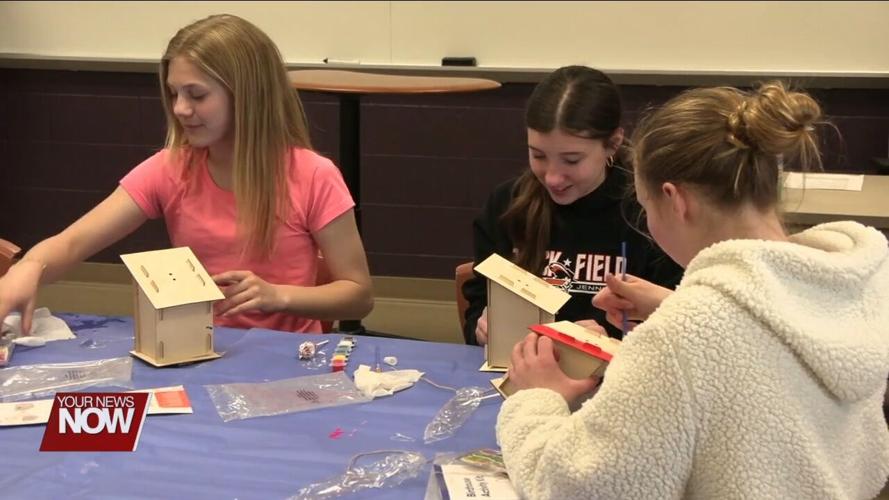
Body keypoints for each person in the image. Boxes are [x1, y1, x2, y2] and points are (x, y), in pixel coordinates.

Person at [497, 81, 889, 499]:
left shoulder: (680, 337)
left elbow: (576, 489)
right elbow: (767, 341)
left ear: (675, 200)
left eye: (646, 208)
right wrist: (674, 302)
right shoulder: (850, 282)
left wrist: (537, 399)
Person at [0, 14, 373, 335]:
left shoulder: (313, 176)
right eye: (174, 93)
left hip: (287, 358)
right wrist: (28, 268)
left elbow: (358, 296)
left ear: (247, 95)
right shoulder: (170, 169)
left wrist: (278, 295)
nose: (180, 109)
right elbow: (71, 244)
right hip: (196, 348)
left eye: (196, 95)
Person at [461, 65, 682, 345]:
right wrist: (483, 327)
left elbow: (677, 322)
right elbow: (478, 305)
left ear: (612, 144)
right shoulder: (507, 205)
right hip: (529, 375)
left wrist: (610, 337)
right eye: (538, 155)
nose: (553, 177)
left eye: (572, 160)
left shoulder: (648, 212)